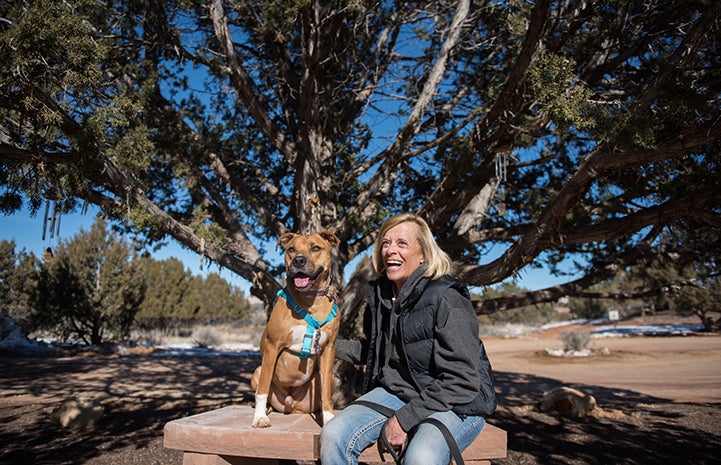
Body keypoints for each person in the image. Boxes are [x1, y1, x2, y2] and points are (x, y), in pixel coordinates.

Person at [320, 213, 496, 465]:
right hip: (397, 392)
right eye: (386, 243)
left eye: (402, 243)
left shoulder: (447, 298)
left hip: (457, 401)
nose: (391, 250)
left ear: (423, 254)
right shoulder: (381, 296)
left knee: (421, 457)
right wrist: (325, 343)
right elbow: (377, 350)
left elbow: (464, 380)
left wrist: (404, 419)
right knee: (334, 435)